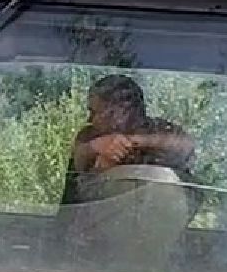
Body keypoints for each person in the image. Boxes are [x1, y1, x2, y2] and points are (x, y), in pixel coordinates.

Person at [62, 73, 196, 205]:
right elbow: (76, 188)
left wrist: (130, 141)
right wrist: (94, 151)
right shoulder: (90, 135)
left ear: (121, 111)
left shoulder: (160, 130)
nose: (90, 119)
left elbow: (185, 145)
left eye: (95, 112)